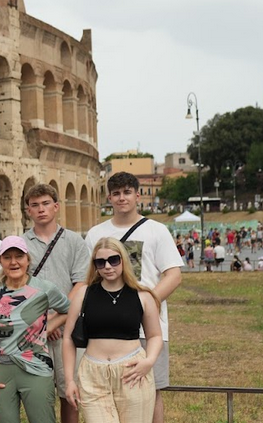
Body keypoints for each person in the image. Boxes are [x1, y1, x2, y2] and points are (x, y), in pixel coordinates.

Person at [84, 172, 182, 423]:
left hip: (147, 327)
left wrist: (142, 307)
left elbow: (173, 275)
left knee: (152, 389)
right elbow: (90, 279)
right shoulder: (96, 233)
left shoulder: (156, 230)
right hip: (107, 328)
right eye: (116, 193)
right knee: (107, 393)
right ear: (109, 198)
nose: (122, 198)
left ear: (138, 195)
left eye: (127, 192)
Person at [63, 238, 162, 423]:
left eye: (113, 260)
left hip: (132, 372)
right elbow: (68, 338)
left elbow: (155, 335)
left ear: (123, 260)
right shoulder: (84, 293)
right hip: (93, 374)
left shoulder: (143, 296)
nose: (107, 266)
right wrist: (69, 380)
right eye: (100, 262)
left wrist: (149, 361)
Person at [0, 236, 70, 423]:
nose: (13, 262)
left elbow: (69, 310)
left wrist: (47, 327)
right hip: (1, 370)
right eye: (7, 257)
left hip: (36, 367)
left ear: (28, 259)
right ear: (0, 261)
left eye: (19, 256)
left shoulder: (44, 289)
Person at [20, 183, 89, 423]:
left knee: (70, 388)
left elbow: (80, 284)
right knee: (39, 392)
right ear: (28, 210)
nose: (41, 210)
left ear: (56, 206)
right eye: (35, 205)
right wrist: (41, 322)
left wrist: (55, 320)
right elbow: (16, 287)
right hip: (32, 327)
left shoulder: (74, 241)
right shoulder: (20, 244)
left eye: (46, 203)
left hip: (67, 326)